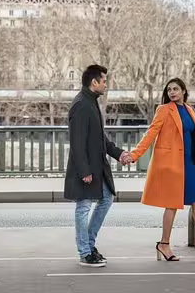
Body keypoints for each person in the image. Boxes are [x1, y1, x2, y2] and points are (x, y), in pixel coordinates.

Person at [129, 78, 195, 262]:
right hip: (173, 165)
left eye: (176, 89)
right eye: (169, 89)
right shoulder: (164, 110)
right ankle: (164, 244)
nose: (172, 92)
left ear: (183, 91)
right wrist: (134, 154)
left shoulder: (189, 110)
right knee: (171, 205)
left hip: (190, 164)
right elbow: (151, 133)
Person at [64, 64, 133, 267]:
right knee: (83, 206)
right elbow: (76, 142)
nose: (106, 85)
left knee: (107, 198)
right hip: (86, 169)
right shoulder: (81, 104)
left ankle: (89, 246)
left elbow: (99, 138)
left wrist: (119, 154)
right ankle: (85, 253)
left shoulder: (90, 101)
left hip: (96, 167)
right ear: (94, 82)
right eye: (104, 81)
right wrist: (84, 171)